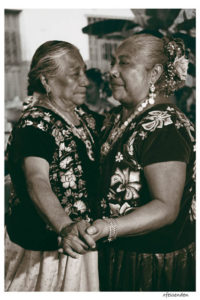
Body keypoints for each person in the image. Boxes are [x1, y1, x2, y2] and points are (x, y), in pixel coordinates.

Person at [86, 34, 196, 291]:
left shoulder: (164, 126)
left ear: (154, 73)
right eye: (113, 62)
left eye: (124, 63)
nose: (111, 71)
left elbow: (165, 208)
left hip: (149, 264)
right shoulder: (118, 117)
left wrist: (107, 227)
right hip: (118, 253)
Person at [5, 40, 100, 291]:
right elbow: (37, 180)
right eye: (74, 74)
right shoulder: (35, 126)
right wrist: (64, 226)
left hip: (82, 247)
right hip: (47, 253)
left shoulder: (86, 118)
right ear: (46, 81)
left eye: (84, 71)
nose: (85, 81)